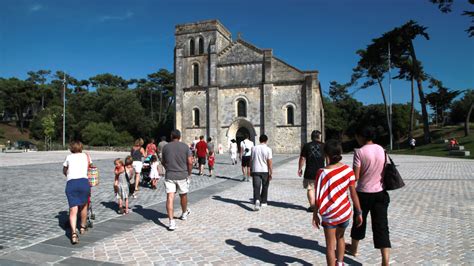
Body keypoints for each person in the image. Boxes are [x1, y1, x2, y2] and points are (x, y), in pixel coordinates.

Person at [312, 140, 363, 266]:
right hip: (344, 212)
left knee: (330, 246)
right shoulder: (348, 170)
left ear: (326, 154)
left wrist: (315, 214)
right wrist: (359, 212)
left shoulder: (321, 173)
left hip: (329, 214)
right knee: (340, 237)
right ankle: (340, 263)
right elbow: (353, 193)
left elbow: (319, 195)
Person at [346, 126, 391, 266]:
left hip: (363, 194)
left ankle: (354, 249)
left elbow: (356, 176)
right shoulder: (382, 150)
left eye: (357, 136)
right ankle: (385, 261)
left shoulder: (359, 152)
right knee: (381, 226)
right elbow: (386, 169)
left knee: (359, 221)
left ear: (361, 136)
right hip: (380, 193)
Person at [161, 130, 193, 231]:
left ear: (171, 136)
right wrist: (189, 172)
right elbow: (190, 161)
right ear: (179, 137)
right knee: (183, 195)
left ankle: (171, 222)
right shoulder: (185, 146)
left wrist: (168, 168)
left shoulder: (166, 147)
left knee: (170, 197)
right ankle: (184, 213)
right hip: (182, 175)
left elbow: (163, 161)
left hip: (170, 175)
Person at [62, 141, 91, 245]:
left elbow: (64, 170)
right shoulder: (86, 156)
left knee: (73, 209)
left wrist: (69, 174)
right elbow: (89, 167)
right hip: (83, 182)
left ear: (71, 148)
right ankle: (82, 227)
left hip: (71, 183)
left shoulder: (68, 157)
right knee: (84, 206)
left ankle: (73, 233)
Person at [298, 130, 325, 212]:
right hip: (321, 171)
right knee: (320, 189)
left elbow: (302, 158)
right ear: (319, 137)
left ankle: (312, 206)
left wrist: (299, 168)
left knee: (310, 188)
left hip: (309, 170)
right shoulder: (324, 146)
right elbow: (327, 158)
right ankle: (319, 205)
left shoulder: (306, 146)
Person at [250, 134, 272, 211]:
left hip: (255, 169)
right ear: (266, 140)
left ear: (259, 140)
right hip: (265, 170)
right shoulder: (268, 149)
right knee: (265, 186)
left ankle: (257, 200)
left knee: (256, 186)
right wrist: (271, 171)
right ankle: (264, 202)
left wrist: (250, 169)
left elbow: (251, 160)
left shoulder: (253, 148)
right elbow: (269, 161)